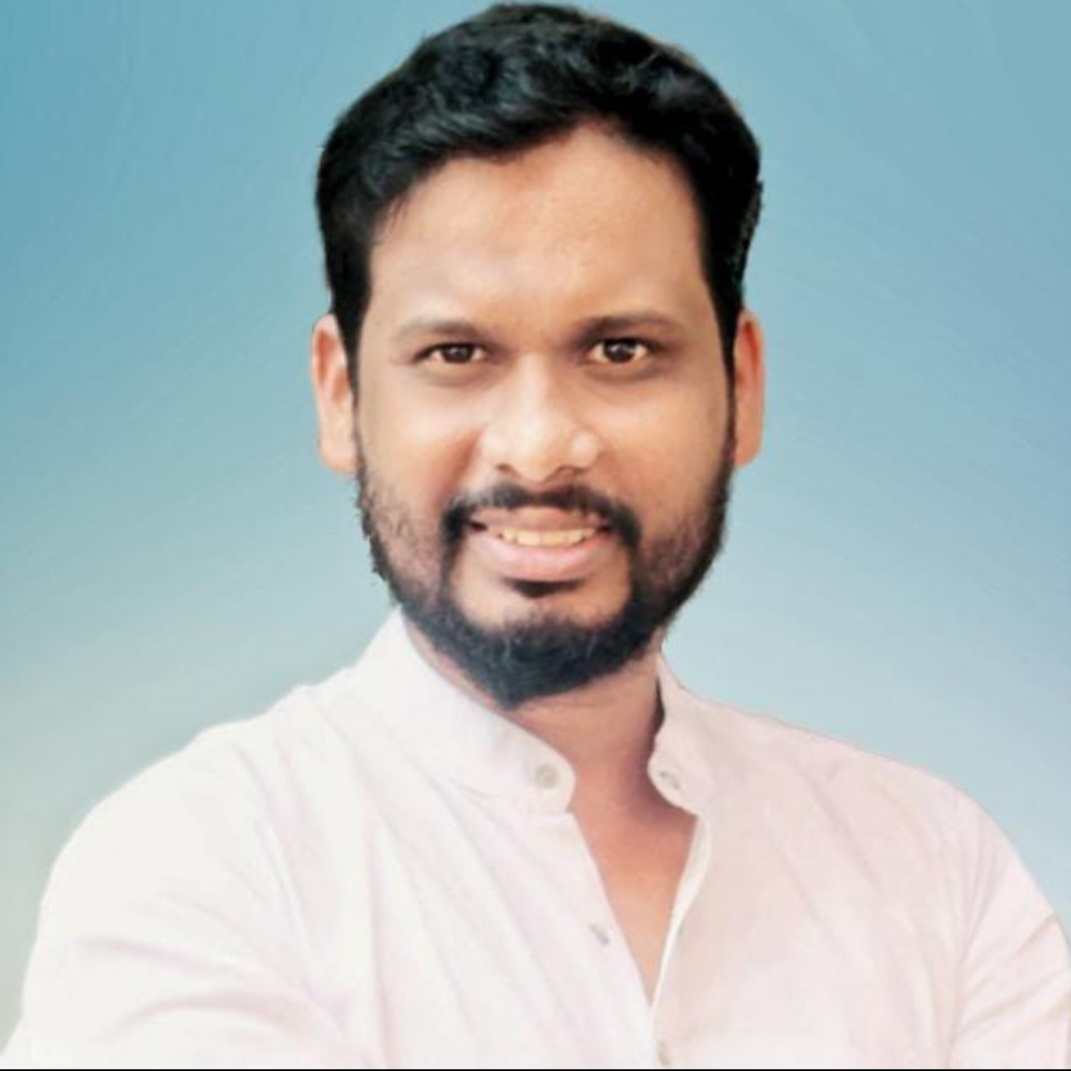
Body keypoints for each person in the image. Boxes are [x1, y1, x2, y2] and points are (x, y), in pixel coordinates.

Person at [4, 3, 1069, 1068]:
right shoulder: (198, 870)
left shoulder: (933, 868)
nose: (540, 447)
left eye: (620, 350)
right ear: (340, 395)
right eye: (457, 354)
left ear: (740, 385)